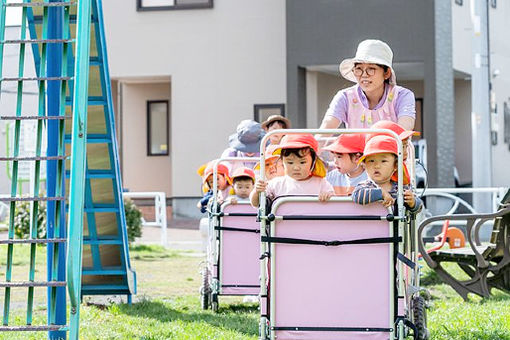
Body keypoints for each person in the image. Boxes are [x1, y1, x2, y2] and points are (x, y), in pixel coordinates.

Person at [320, 39, 416, 131]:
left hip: (391, 147)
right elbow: (325, 129)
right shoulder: (345, 97)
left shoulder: (402, 96)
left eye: (371, 69)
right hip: (357, 148)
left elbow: (405, 127)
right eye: (359, 69)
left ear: (386, 73)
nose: (364, 74)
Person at [250, 134, 334, 207]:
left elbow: (335, 203)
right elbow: (256, 204)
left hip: (313, 225)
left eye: (302, 162)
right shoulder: (276, 184)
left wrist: (327, 196)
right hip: (283, 225)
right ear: (282, 161)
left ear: (313, 161)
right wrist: (257, 192)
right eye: (290, 162)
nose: (296, 167)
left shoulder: (321, 183)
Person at [351, 135, 422, 213]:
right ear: (364, 165)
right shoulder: (366, 186)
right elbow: (357, 196)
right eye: (371, 161)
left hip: (395, 224)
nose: (376, 166)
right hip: (371, 224)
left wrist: (413, 202)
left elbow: (419, 207)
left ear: (395, 165)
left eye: (383, 161)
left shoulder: (401, 188)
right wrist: (381, 193)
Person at [367, 120, 420, 185]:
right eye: (402, 147)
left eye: (406, 146)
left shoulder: (400, 170)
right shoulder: (367, 186)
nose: (406, 153)